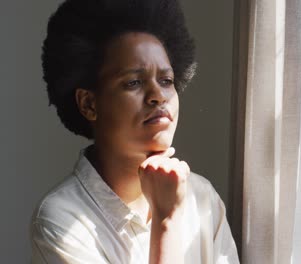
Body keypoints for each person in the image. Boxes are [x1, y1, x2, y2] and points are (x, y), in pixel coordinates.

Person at [29, 0, 239, 263]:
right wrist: (166, 219)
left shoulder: (201, 196)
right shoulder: (61, 220)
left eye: (166, 81)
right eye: (134, 82)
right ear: (88, 104)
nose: (157, 96)